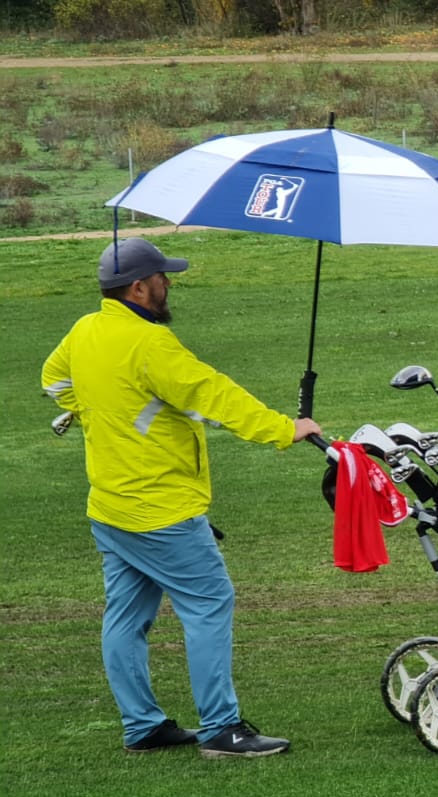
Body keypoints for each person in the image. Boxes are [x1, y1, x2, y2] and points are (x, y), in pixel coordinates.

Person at [41, 237, 322, 758]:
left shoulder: (85, 329)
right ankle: (221, 728)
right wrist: (285, 429)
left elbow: (54, 380)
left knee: (125, 617)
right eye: (163, 277)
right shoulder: (152, 345)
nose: (169, 284)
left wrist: (99, 411)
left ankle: (143, 726)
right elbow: (213, 394)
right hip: (161, 509)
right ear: (139, 287)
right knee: (211, 601)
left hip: (110, 506)